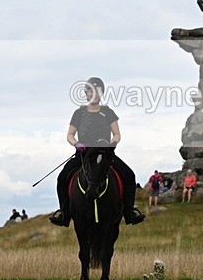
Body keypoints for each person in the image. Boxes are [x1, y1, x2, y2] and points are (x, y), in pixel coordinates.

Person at [49, 77, 145, 227]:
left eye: (97, 91)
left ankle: (129, 212)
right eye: (90, 91)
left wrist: (112, 144)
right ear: (86, 94)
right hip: (84, 154)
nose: (93, 94)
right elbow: (69, 135)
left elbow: (117, 134)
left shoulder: (108, 112)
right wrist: (77, 144)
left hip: (105, 154)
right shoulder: (79, 113)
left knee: (129, 175)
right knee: (62, 177)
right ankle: (64, 214)